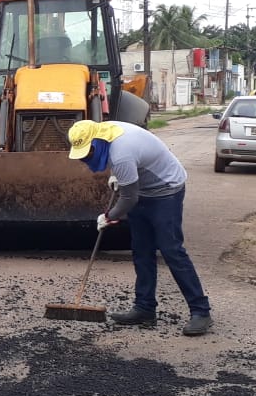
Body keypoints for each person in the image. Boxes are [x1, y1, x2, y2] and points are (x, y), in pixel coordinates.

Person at [67, 119, 212, 336]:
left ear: (97, 141)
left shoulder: (121, 152)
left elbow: (128, 197)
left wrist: (109, 216)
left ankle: (201, 311)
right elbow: (129, 177)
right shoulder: (106, 132)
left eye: (89, 152)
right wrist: (118, 175)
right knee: (142, 251)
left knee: (172, 250)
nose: (87, 157)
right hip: (142, 189)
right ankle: (144, 308)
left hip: (166, 190)